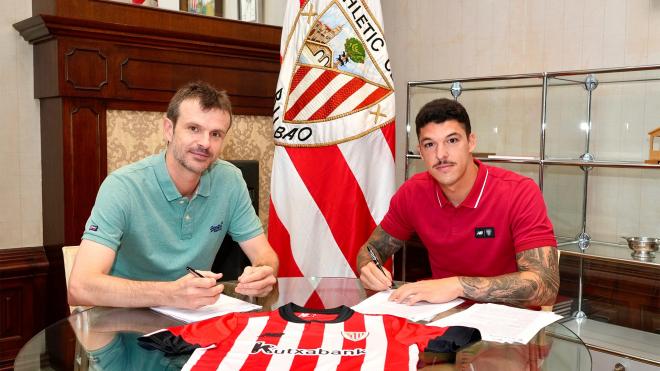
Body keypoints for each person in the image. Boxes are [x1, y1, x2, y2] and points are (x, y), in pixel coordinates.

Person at [68, 81, 278, 309]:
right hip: (123, 324)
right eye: (194, 128)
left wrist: (263, 272)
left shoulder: (230, 181)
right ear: (169, 129)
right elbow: (80, 288)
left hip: (193, 323)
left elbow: (265, 255)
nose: (205, 143)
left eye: (216, 134)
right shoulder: (122, 187)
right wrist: (171, 294)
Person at [357, 98, 559, 307]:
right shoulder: (412, 192)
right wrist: (368, 266)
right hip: (442, 320)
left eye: (452, 141)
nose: (441, 154)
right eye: (430, 145)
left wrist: (458, 286)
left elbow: (546, 286)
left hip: (510, 328)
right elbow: (370, 249)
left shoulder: (519, 191)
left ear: (471, 142)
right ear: (420, 151)